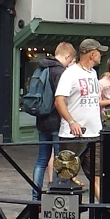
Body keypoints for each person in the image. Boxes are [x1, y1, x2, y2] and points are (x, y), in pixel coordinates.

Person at [54, 39, 105, 195]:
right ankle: (64, 215)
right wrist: (71, 121)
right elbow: (59, 100)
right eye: (99, 52)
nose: (101, 55)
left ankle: (107, 212)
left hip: (94, 133)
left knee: (97, 174)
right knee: (67, 175)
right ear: (92, 53)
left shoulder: (93, 73)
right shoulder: (70, 73)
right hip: (73, 136)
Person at [24, 43, 73, 187]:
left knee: (41, 160)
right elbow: (62, 99)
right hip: (57, 120)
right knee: (60, 160)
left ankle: (36, 196)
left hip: (41, 119)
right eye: (70, 61)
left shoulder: (41, 67)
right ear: (67, 56)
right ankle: (57, 194)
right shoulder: (60, 72)